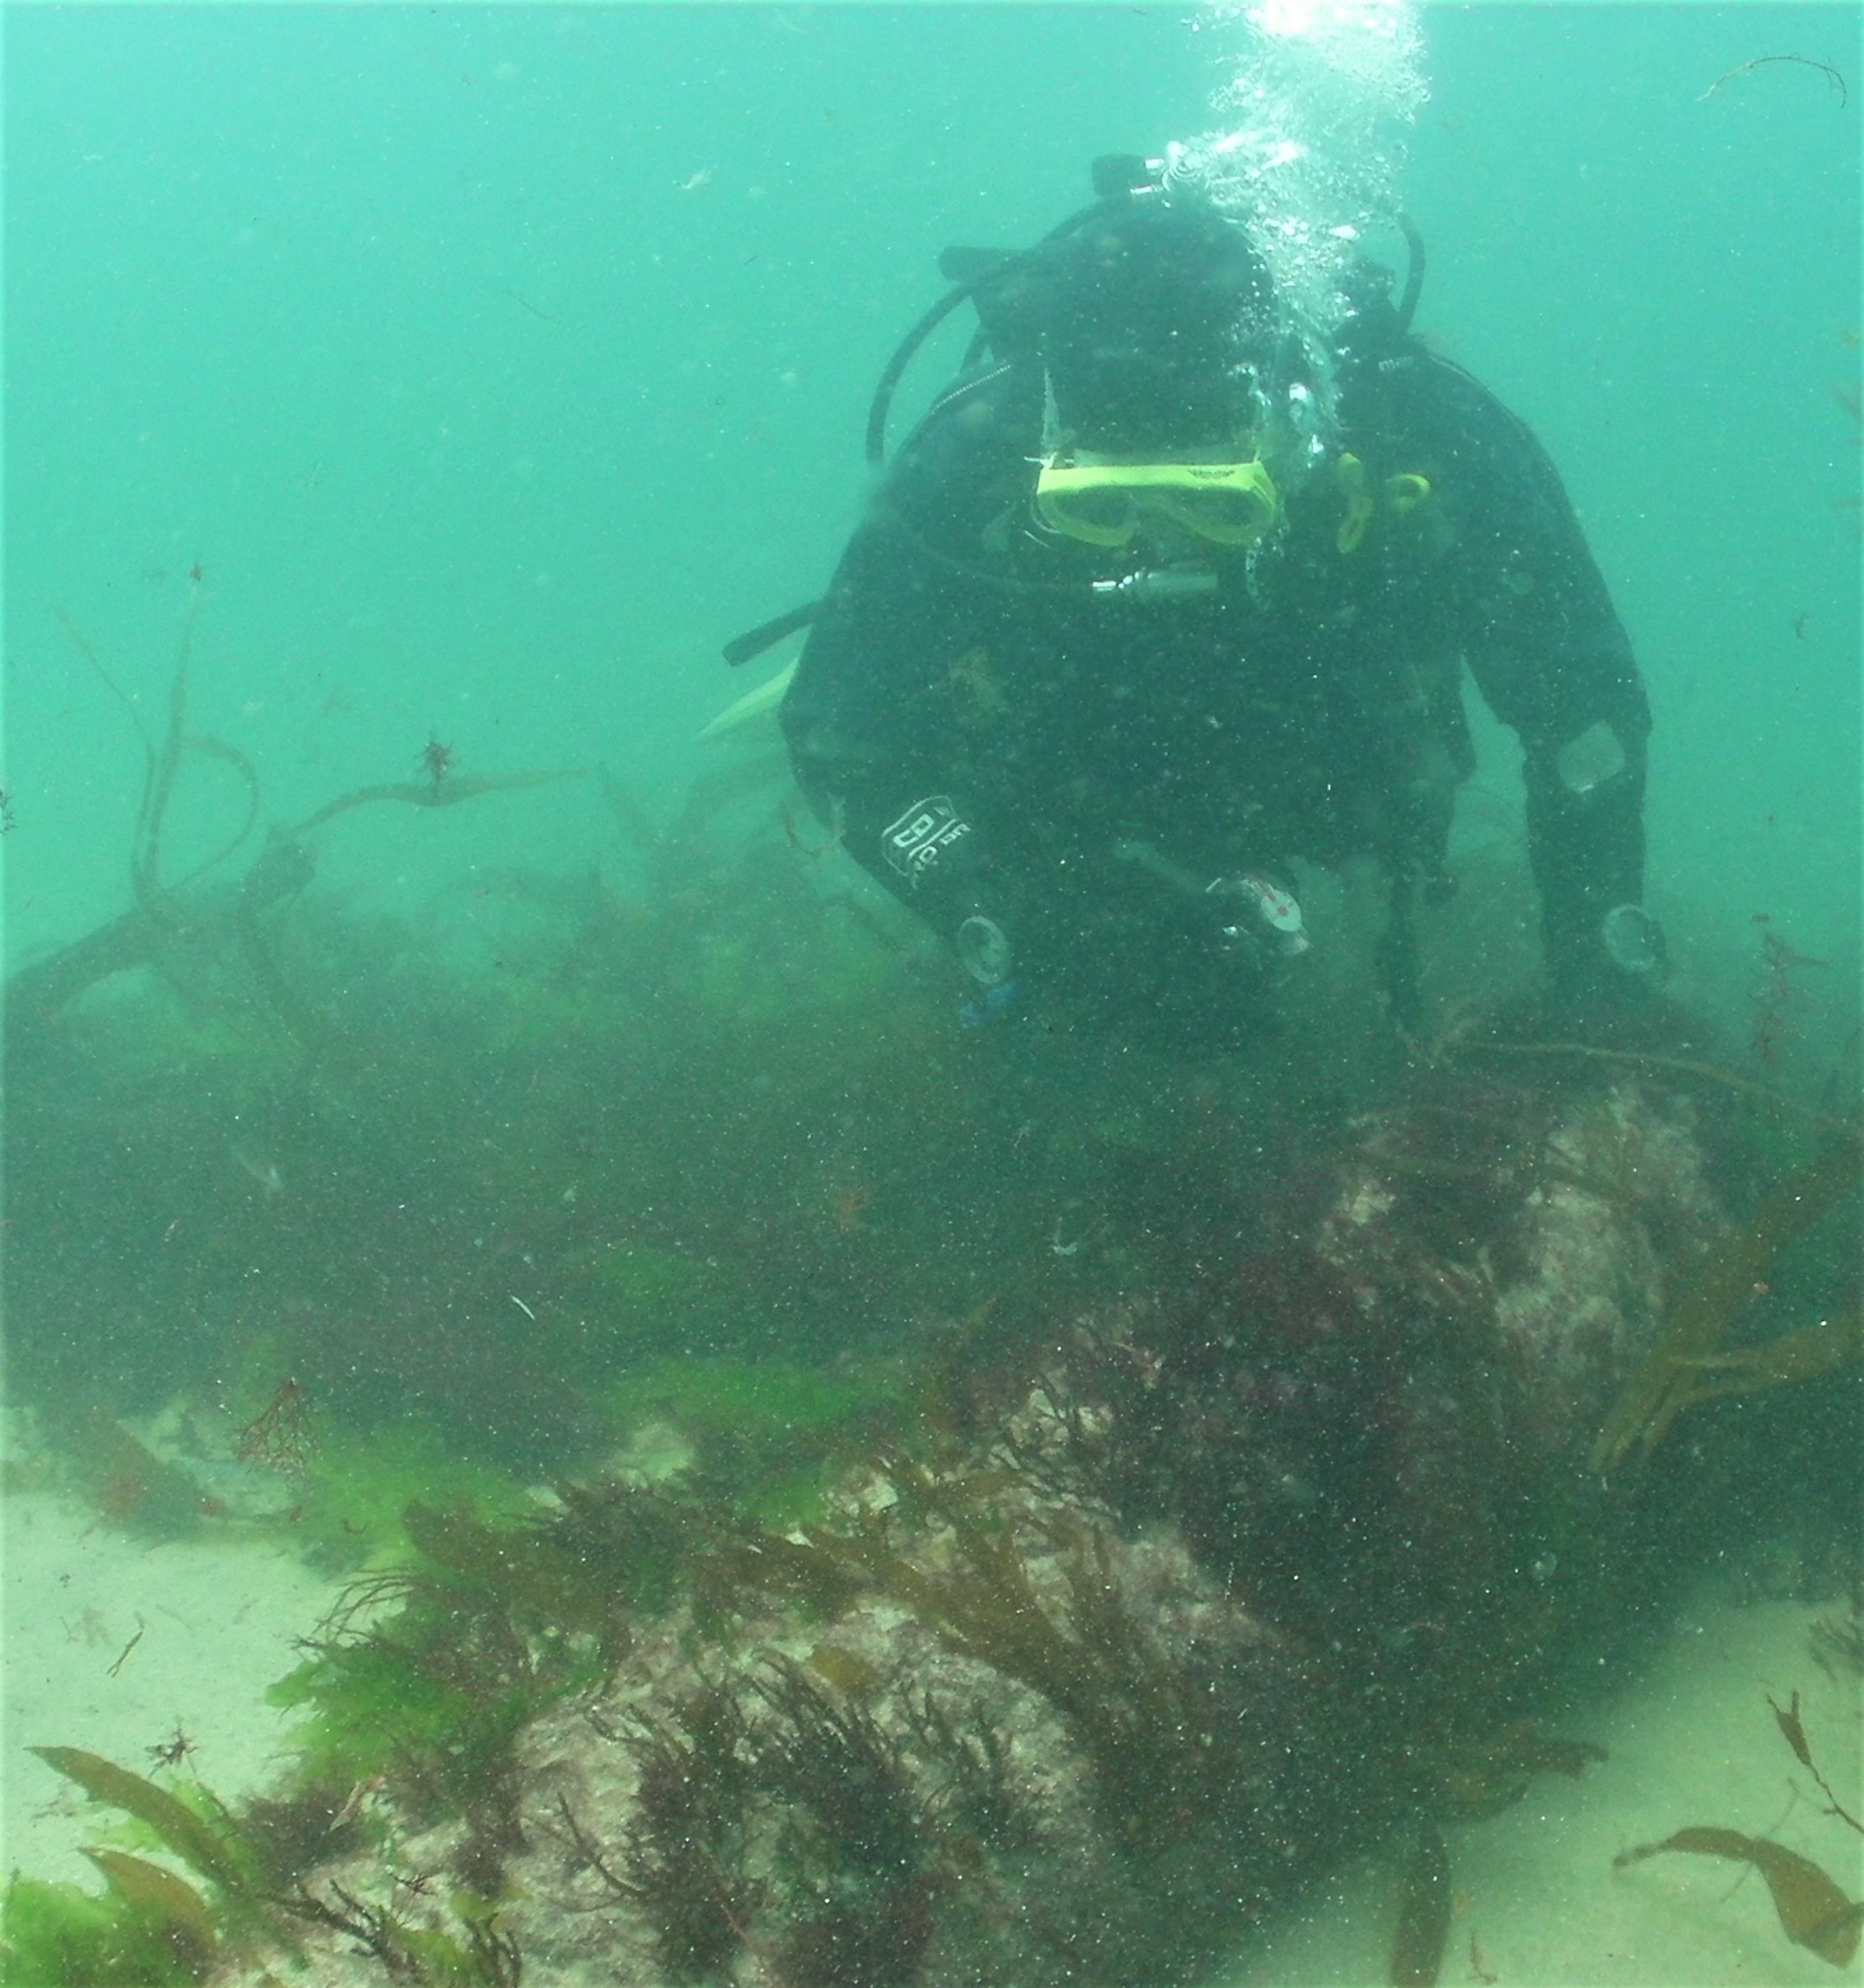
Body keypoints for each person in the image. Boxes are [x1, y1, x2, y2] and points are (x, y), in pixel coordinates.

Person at [773, 156, 1662, 1050]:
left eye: (1218, 505)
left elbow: (1583, 714)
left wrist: (1599, 973)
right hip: (1065, 785)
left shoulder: (1421, 433)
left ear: (1294, 432)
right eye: (1103, 508)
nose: (1164, 552)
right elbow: (840, 733)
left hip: (1341, 757)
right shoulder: (975, 447)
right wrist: (1015, 923)